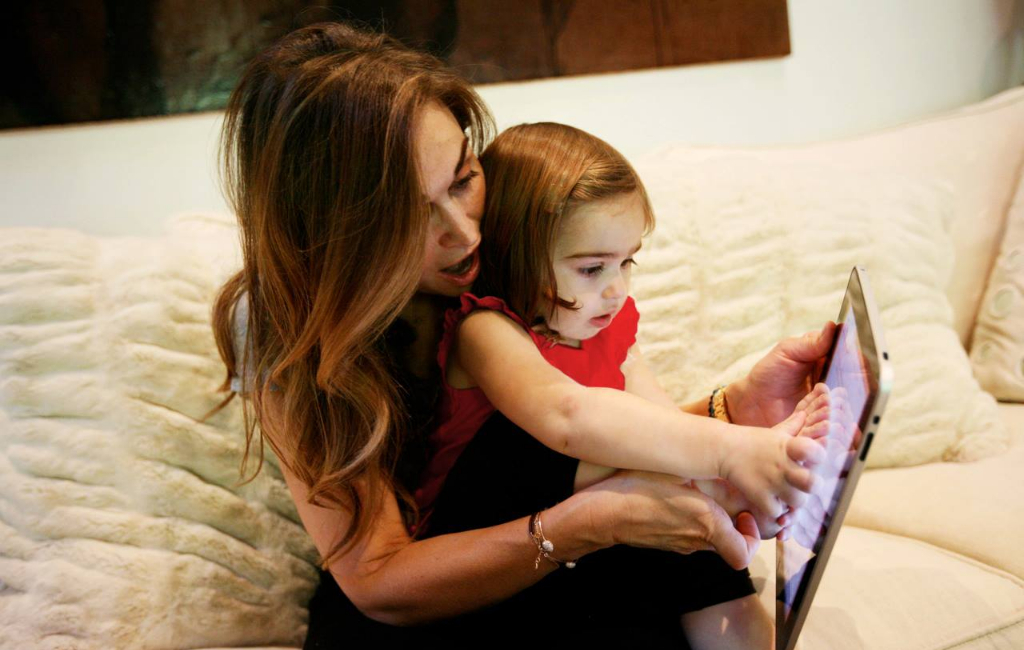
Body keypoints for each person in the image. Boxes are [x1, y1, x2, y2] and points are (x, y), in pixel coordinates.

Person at [207, 21, 838, 648]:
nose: (463, 233)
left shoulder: (518, 259)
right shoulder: (281, 323)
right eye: (409, 215)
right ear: (333, 232)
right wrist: (604, 517)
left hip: (538, 555)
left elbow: (593, 431)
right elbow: (381, 580)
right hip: (422, 605)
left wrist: (732, 412)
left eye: (462, 180)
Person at [407, 122, 824, 647]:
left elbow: (660, 425)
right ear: (518, 254)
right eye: (591, 268)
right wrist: (731, 453)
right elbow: (567, 418)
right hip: (481, 544)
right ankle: (730, 495)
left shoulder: (614, 325)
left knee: (673, 501)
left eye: (627, 261)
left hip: (570, 548)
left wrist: (710, 474)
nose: (616, 289)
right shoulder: (484, 331)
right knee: (560, 438)